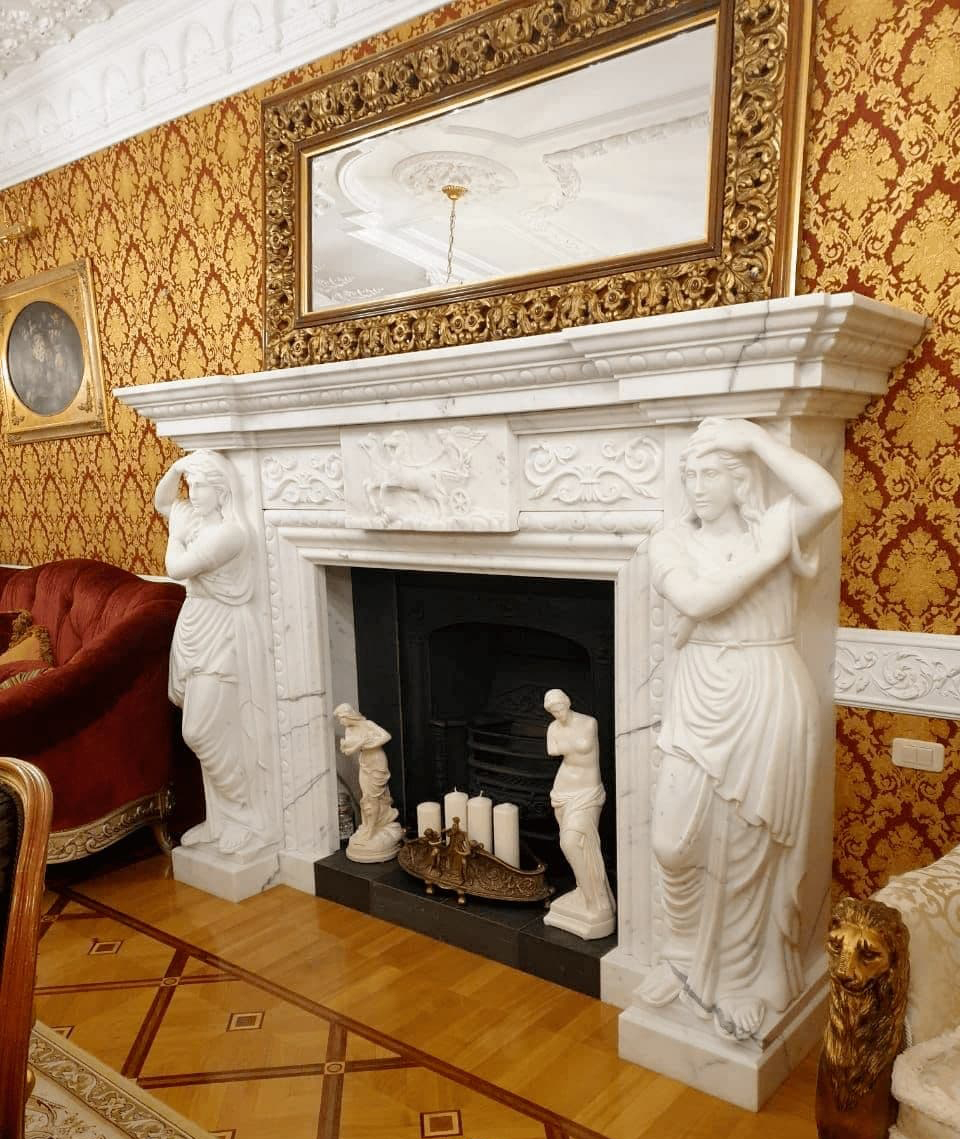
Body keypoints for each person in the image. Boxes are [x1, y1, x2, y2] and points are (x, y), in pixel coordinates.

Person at [640, 416, 841, 1041]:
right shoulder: (672, 540)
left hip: (766, 686)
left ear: (739, 480)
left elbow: (826, 497)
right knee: (672, 843)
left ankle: (737, 977)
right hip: (701, 689)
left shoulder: (773, 522)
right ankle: (680, 956)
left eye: (710, 474)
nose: (697, 486)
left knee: (750, 846)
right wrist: (769, 554)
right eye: (690, 475)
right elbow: (697, 601)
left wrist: (755, 439)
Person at [154, 450, 269, 857]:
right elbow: (162, 501)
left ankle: (246, 817)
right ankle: (220, 821)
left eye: (202, 486)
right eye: (192, 485)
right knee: (216, 727)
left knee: (203, 730)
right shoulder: (195, 518)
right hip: (195, 623)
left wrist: (175, 534)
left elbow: (176, 568)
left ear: (222, 491)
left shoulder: (230, 533)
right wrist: (176, 469)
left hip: (222, 630)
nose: (193, 493)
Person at [543, 688, 615, 939]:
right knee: (574, 845)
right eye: (552, 711)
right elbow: (552, 750)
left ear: (568, 702)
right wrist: (567, 744)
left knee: (572, 842)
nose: (557, 713)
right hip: (562, 791)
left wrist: (565, 745)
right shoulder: (553, 727)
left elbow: (568, 747)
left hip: (588, 792)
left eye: (559, 707)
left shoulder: (589, 722)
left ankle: (596, 900)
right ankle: (585, 890)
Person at [334, 703, 402, 862]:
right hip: (364, 762)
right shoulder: (349, 730)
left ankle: (371, 830)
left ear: (348, 715)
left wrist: (366, 743)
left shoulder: (368, 724)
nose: (340, 722)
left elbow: (386, 736)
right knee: (365, 797)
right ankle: (369, 825)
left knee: (373, 797)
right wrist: (362, 743)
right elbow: (348, 751)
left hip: (377, 761)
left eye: (340, 718)